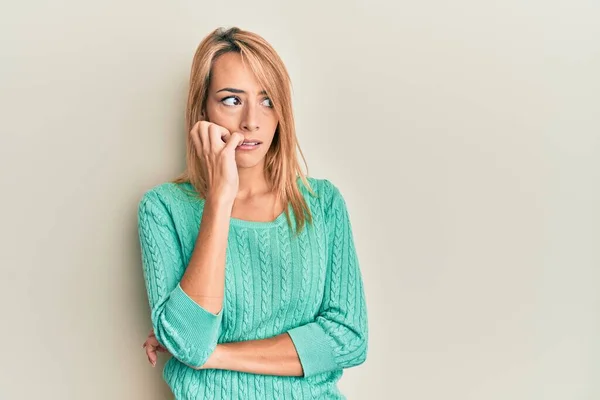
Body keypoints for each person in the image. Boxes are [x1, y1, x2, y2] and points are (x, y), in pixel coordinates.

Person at [137, 26, 368, 399]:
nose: (251, 121)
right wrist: (219, 200)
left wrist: (214, 356)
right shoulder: (164, 209)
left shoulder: (322, 203)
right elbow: (191, 343)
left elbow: (347, 341)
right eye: (231, 100)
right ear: (202, 108)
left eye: (267, 100)